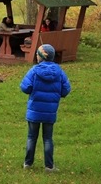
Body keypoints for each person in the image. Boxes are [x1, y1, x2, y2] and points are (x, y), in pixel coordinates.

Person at [20, 44, 71, 173]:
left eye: (38, 54)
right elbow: (66, 90)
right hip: (50, 112)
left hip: (34, 111)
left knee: (32, 136)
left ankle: (28, 163)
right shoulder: (59, 72)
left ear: (42, 56)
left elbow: (25, 87)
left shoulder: (34, 71)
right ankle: (49, 166)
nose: (36, 56)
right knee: (48, 138)